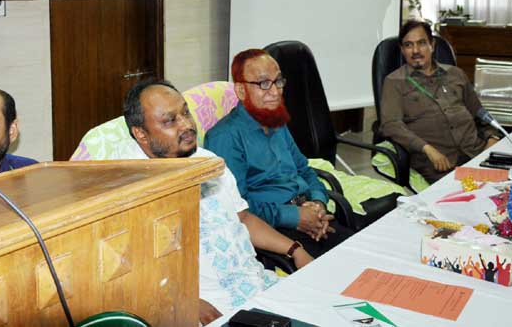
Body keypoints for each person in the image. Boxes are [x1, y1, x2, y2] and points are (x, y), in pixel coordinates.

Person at [74, 79, 313, 326]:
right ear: (141, 134)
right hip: (205, 308)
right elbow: (120, 271)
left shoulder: (208, 160)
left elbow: (242, 218)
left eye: (185, 112)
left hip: (257, 285)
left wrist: (294, 250)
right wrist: (184, 301)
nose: (187, 124)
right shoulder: (125, 187)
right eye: (170, 121)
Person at [205, 49, 353, 258]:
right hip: (275, 231)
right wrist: (295, 217)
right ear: (240, 90)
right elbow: (237, 207)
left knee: (364, 257)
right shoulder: (225, 137)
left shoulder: (276, 122)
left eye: (279, 81)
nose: (275, 92)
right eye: (264, 83)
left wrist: (318, 204)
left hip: (309, 214)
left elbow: (305, 170)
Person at [379, 20, 501, 183]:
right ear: (402, 50)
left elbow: (479, 114)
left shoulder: (456, 74)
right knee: (473, 200)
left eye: (421, 43)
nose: (415, 51)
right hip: (441, 166)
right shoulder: (395, 82)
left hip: (478, 156)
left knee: (503, 194)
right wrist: (428, 149)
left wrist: (492, 138)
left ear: (432, 45)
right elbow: (391, 125)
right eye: (408, 45)